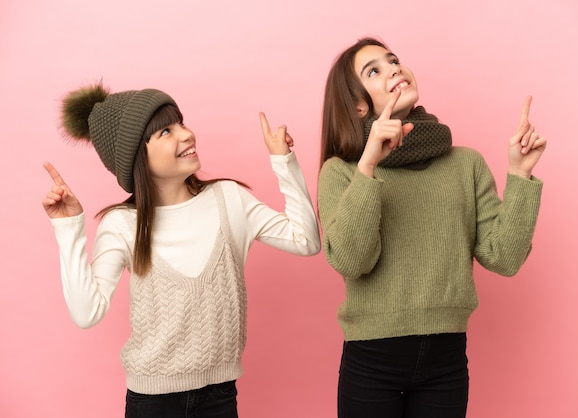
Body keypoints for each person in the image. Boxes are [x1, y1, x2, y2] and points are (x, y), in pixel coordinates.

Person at [42, 82, 320, 418]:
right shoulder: (122, 225)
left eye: (182, 124)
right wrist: (68, 228)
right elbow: (87, 313)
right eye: (165, 132)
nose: (186, 135)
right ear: (136, 156)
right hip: (151, 403)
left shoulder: (229, 199)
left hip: (220, 398)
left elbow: (306, 240)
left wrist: (283, 162)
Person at [317, 37, 547, 418]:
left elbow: (504, 258)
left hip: (446, 360)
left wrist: (520, 175)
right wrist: (368, 167)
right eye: (374, 70)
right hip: (371, 362)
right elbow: (352, 260)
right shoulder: (341, 171)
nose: (394, 68)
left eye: (394, 60)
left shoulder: (465, 163)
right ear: (358, 105)